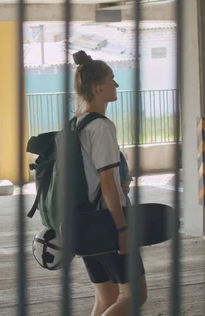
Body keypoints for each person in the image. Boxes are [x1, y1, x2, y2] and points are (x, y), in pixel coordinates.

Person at [72, 50, 147, 316]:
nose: (116, 85)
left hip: (83, 221)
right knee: (135, 293)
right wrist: (123, 228)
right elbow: (107, 184)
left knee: (107, 295)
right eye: (112, 80)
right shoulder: (101, 127)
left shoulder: (77, 124)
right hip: (106, 222)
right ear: (98, 87)